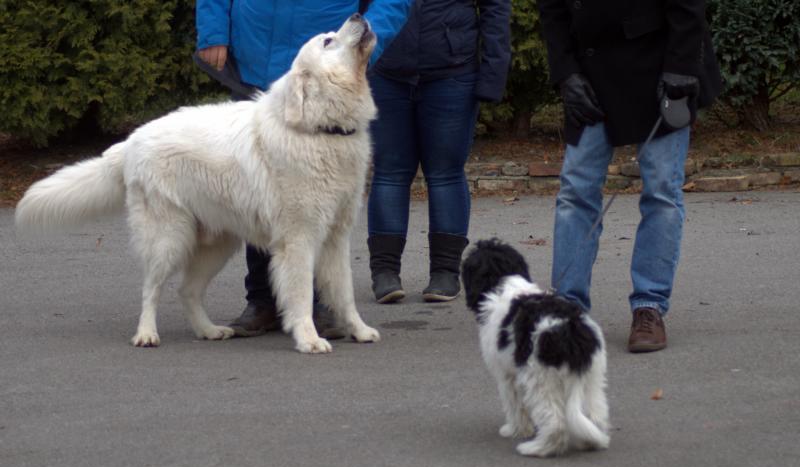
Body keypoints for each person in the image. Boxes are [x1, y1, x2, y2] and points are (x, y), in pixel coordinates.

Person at [195, 0, 412, 337]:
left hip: (323, 72)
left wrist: (365, 42)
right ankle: (263, 300)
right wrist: (213, 30)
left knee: (321, 203)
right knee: (260, 189)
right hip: (255, 55)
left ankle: (324, 305)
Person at [537, 0, 722, 352]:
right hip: (589, 69)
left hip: (661, 63)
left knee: (662, 191)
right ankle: (567, 312)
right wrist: (565, 72)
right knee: (575, 191)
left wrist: (682, 66)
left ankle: (649, 306)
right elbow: (551, 7)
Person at [365, 0, 511, 304]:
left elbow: (495, 6)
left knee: (446, 173)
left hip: (452, 72)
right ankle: (384, 272)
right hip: (385, 70)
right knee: (389, 172)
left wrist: (493, 72)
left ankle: (445, 272)